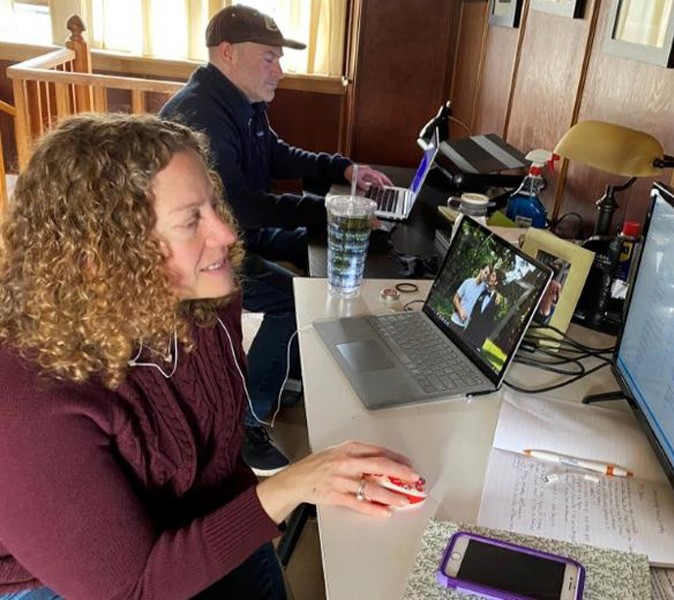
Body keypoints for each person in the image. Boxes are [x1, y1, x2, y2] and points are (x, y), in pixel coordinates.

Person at [0, 114, 418, 600]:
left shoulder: (205, 302)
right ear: (101, 256)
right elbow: (132, 590)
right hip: (66, 583)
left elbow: (214, 456)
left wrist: (282, 496)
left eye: (212, 205)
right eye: (190, 221)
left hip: (191, 515)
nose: (226, 234)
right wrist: (291, 487)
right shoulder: (27, 399)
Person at [159, 5, 392, 475]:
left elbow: (277, 154)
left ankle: (289, 365)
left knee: (315, 245)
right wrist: (327, 211)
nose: (279, 72)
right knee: (290, 299)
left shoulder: (242, 102)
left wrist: (343, 169)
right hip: (198, 251)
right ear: (228, 54)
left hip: (238, 233)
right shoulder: (200, 113)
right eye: (269, 58)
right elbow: (238, 205)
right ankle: (246, 424)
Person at [464, 267, 504, 351]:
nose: (489, 277)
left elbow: (489, 322)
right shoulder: (481, 289)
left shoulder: (496, 301)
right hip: (467, 333)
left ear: (496, 282)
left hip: (478, 340)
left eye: (493, 276)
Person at [450, 264, 492, 332]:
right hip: (454, 321)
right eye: (485, 272)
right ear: (481, 270)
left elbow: (492, 289)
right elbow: (455, 298)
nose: (485, 276)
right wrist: (460, 311)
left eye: (487, 276)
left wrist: (497, 295)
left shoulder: (484, 289)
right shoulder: (468, 282)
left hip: (464, 328)